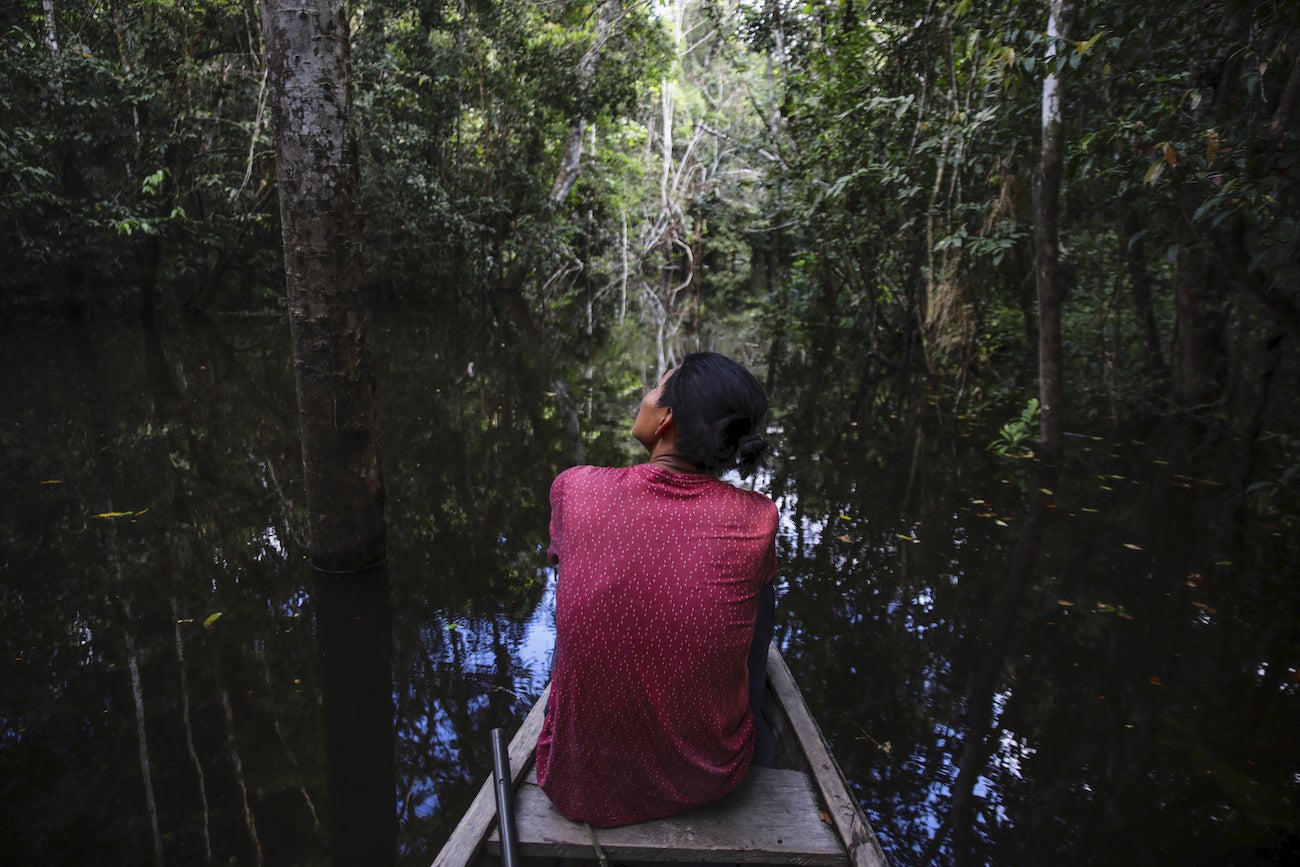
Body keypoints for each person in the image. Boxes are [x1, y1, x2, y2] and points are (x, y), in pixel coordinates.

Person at [534, 351, 779, 827]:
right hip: (706, 779)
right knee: (758, 593)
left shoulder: (574, 489)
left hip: (578, 784)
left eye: (653, 388)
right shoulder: (757, 517)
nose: (644, 398)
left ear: (665, 419)